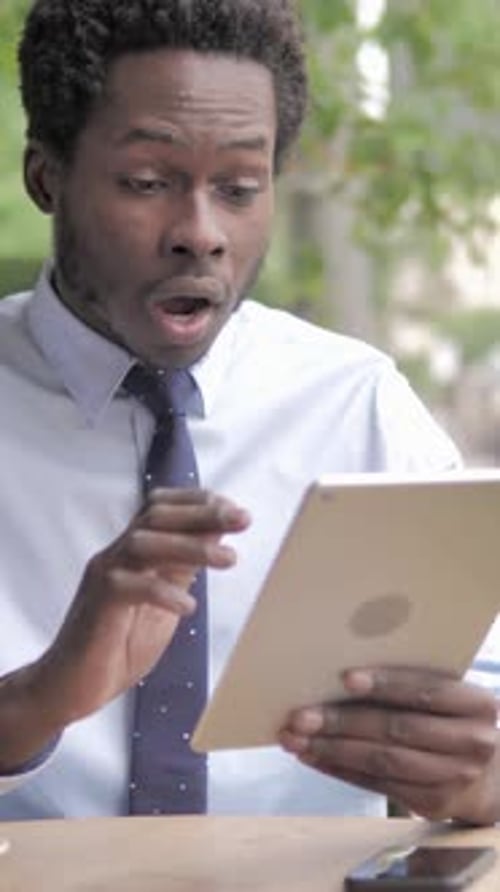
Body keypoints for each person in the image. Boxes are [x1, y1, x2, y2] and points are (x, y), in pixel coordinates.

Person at [0, 0, 499, 823]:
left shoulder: (355, 403)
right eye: (148, 183)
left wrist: (478, 779)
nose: (201, 234)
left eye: (238, 188)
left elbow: (488, 705)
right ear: (46, 177)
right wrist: (40, 697)